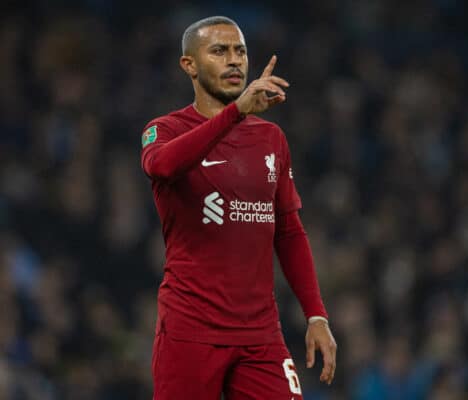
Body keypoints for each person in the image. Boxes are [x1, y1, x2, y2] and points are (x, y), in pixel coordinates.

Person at [140, 16, 337, 400]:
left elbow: (289, 231)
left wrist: (315, 314)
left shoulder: (271, 138)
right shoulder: (164, 129)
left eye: (240, 51)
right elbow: (161, 166)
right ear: (189, 65)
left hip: (261, 335)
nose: (234, 61)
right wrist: (236, 114)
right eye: (219, 51)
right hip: (190, 331)